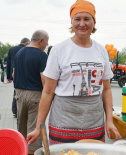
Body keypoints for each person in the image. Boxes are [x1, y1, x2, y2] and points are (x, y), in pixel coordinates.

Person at [27, 0, 120, 147]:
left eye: (87, 19)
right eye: (77, 19)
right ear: (72, 22)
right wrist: (39, 126)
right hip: (64, 123)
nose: (82, 24)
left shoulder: (101, 51)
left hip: (94, 122)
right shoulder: (59, 50)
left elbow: (107, 89)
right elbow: (48, 92)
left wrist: (109, 120)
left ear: (94, 22)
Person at [14, 30, 49, 155]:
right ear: (41, 41)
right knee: (35, 125)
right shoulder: (41, 55)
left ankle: (21, 152)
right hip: (35, 93)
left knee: (21, 124)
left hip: (19, 93)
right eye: (46, 42)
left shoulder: (19, 53)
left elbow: (14, 72)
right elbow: (44, 78)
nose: (46, 45)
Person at [6, 38, 30, 117]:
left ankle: (15, 110)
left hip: (14, 74)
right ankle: (22, 110)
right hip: (23, 73)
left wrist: (8, 76)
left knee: (16, 91)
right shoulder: (26, 49)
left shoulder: (12, 49)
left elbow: (9, 63)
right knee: (24, 91)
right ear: (26, 43)